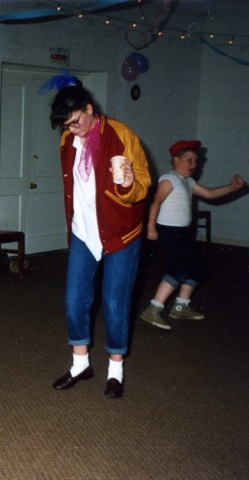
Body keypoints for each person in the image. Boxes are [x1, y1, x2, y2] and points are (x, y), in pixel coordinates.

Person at [49, 85, 151, 399]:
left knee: (114, 301)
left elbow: (144, 185)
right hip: (83, 231)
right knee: (74, 299)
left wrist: (129, 184)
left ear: (90, 109)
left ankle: (115, 371)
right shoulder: (67, 140)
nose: (72, 129)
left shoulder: (120, 134)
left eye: (75, 121)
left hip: (120, 232)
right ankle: (80, 364)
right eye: (66, 125)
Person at [140, 140, 245, 330]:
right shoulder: (169, 179)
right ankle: (153, 309)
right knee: (177, 270)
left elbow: (210, 193)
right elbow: (156, 201)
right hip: (168, 231)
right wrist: (151, 226)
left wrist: (232, 187)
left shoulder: (188, 181)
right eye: (189, 160)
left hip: (183, 232)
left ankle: (181, 306)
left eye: (196, 161)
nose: (194, 164)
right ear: (176, 159)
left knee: (198, 268)